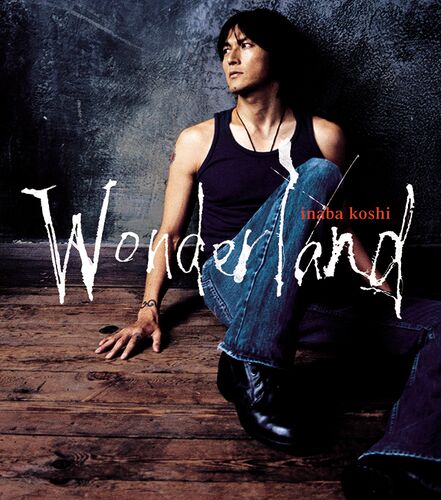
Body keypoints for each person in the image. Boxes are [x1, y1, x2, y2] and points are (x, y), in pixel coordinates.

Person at [95, 8, 441, 499]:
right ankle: (251, 364)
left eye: (245, 45)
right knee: (317, 173)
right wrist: (149, 309)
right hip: (230, 281)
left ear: (276, 56)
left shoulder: (325, 135)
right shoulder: (198, 140)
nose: (230, 59)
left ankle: (403, 461)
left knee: (437, 321)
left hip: (305, 291)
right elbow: (169, 233)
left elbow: (341, 226)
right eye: (225, 50)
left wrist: (381, 288)